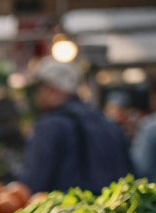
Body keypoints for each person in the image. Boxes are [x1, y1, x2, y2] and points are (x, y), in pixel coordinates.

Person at [17, 57, 133, 194]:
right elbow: (132, 176)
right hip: (114, 212)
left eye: (38, 89)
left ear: (51, 88)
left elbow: (33, 181)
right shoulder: (109, 125)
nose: (36, 96)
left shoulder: (49, 126)